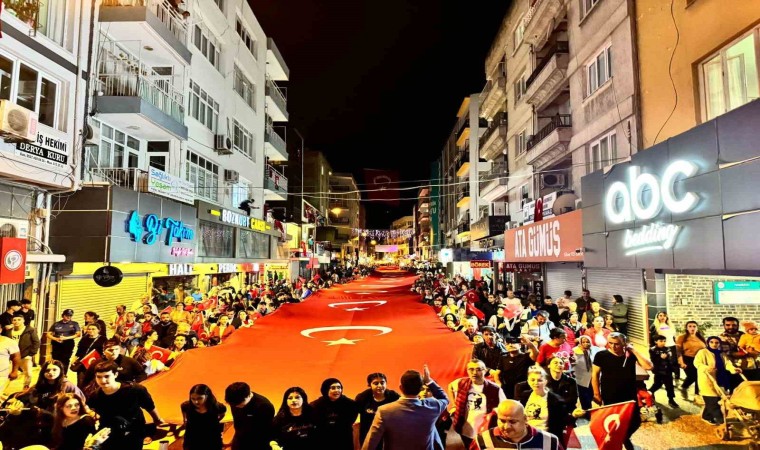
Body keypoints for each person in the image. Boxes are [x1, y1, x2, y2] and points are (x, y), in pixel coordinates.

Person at [361, 364, 449, 450]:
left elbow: (370, 442)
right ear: (420, 389)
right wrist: (429, 381)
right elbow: (444, 398)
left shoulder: (384, 411)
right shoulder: (433, 406)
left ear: (401, 388)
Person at [591, 332, 653, 450]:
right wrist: (596, 393)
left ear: (624, 343)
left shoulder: (630, 355)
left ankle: (624, 438)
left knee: (635, 421)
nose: (613, 346)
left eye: (617, 344)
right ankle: (616, 443)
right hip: (610, 394)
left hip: (629, 394)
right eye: (610, 343)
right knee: (614, 421)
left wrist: (633, 350)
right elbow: (595, 374)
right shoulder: (601, 355)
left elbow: (649, 366)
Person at [87, 360, 165, 450]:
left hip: (135, 430)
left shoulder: (135, 390)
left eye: (107, 376)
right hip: (111, 433)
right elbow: (92, 411)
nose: (103, 381)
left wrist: (157, 419)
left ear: (115, 374)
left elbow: (149, 406)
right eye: (99, 377)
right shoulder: (95, 396)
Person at [448, 359, 506, 449]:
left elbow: (504, 407)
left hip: (485, 429)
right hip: (465, 428)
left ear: (485, 371)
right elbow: (450, 386)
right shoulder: (461, 383)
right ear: (467, 371)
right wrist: (454, 405)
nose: (474, 372)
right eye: (471, 369)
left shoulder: (495, 389)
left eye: (479, 369)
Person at [471, 399, 564, 450]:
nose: (506, 427)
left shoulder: (550, 441)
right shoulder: (482, 440)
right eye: (502, 421)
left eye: (513, 422)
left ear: (525, 419)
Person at [516, 366, 570, 444]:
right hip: (525, 435)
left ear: (545, 382)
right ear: (528, 381)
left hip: (545, 436)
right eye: (532, 380)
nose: (535, 383)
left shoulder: (556, 400)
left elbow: (559, 425)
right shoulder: (525, 395)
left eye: (539, 380)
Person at [695, 335, 741, 425]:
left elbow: (727, 364)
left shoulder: (721, 354)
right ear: (708, 343)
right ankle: (721, 420)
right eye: (712, 342)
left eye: (717, 342)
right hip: (707, 379)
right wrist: (707, 368)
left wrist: (733, 369)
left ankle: (706, 416)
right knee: (712, 400)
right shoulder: (703, 352)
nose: (714, 344)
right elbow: (697, 363)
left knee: (715, 400)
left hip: (720, 379)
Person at [355, 372, 401, 449]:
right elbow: (353, 412)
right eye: (376, 383)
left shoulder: (393, 396)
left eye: (382, 383)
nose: (380, 386)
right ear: (370, 385)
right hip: (368, 435)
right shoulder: (362, 398)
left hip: (388, 435)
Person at [310, 377, 359, 450]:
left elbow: (351, 420)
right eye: (333, 388)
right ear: (325, 390)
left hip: (343, 438)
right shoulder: (315, 405)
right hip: (323, 439)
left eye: (339, 388)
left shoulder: (350, 404)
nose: (337, 390)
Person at [224, 381, 275, 450]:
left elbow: (264, 431)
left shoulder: (264, 406)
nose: (236, 406)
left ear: (248, 396)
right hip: (240, 438)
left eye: (239, 404)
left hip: (257, 442)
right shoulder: (234, 400)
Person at [181, 384, 227, 450]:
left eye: (200, 398)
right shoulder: (187, 406)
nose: (196, 402)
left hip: (211, 438)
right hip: (192, 438)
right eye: (193, 399)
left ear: (207, 396)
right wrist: (184, 419)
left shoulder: (216, 406)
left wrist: (217, 420)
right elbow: (183, 407)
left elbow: (223, 412)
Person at [676, 320, 706, 404]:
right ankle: (684, 387)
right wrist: (681, 362)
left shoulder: (700, 337)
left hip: (699, 360)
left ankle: (697, 395)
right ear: (686, 328)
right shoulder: (682, 337)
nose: (692, 328)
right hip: (687, 359)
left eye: (694, 326)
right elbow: (678, 351)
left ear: (697, 328)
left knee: (699, 377)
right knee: (693, 376)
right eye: (690, 326)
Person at [9, 312, 39, 389]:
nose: (16, 321)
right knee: (8, 373)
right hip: (12, 356)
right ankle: (5, 389)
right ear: (12, 321)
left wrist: (31, 354)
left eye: (19, 320)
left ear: (23, 320)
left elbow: (36, 342)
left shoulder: (30, 330)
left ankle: (25, 388)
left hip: (25, 355)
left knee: (28, 373)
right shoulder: (9, 331)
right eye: (14, 320)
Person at [47, 308, 81, 374]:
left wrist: (66, 338)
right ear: (63, 315)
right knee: (56, 359)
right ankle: (56, 372)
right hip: (57, 343)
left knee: (65, 359)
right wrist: (55, 339)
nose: (68, 317)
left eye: (70, 316)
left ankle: (64, 373)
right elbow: (48, 334)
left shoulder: (74, 324)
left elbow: (78, 334)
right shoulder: (57, 324)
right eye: (67, 315)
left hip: (68, 343)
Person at [649, 335, 679, 408]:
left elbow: (670, 359)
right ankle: (649, 392)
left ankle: (671, 400)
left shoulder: (667, 349)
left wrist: (673, 368)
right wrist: (660, 358)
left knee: (670, 386)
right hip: (659, 371)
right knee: (657, 384)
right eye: (661, 341)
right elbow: (653, 361)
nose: (663, 343)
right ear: (656, 341)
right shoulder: (652, 350)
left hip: (667, 371)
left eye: (664, 341)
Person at [571, 335, 599, 412]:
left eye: (587, 342)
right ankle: (586, 412)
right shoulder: (574, 350)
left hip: (592, 377)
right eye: (583, 342)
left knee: (592, 395)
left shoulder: (594, 349)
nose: (586, 344)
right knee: (584, 397)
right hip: (581, 378)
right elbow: (572, 363)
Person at [0, 331, 20, 398]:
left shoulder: (9, 342)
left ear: (0, 330)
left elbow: (16, 357)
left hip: (1, 375)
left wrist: (15, 371)